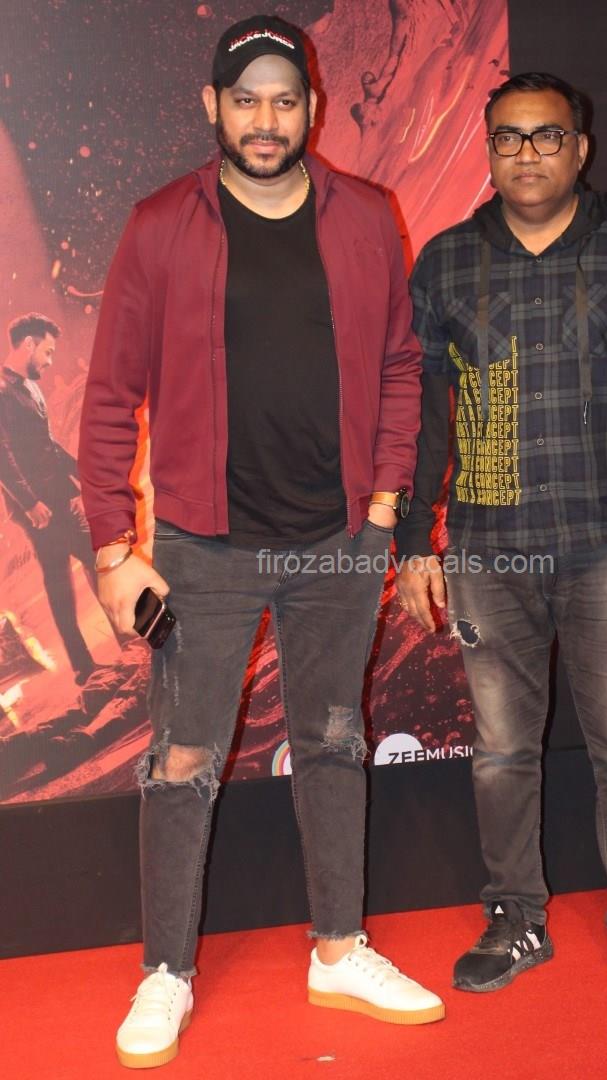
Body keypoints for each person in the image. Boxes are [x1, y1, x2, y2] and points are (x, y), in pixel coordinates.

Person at [78, 14, 444, 1069]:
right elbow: (110, 396)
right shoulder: (160, 224)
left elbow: (400, 365)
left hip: (339, 541)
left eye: (285, 100)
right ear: (214, 108)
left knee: (332, 740)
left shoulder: (365, 215)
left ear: (313, 108)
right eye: (246, 100)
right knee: (181, 762)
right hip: (203, 547)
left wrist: (383, 507)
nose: (267, 119)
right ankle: (165, 970)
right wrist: (113, 548)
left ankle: (338, 948)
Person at [396, 72, 607, 1001]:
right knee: (501, 751)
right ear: (488, 150)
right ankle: (514, 918)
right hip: (487, 551)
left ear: (580, 149)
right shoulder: (446, 262)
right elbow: (424, 416)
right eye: (507, 137)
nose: (526, 154)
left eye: (545, 136)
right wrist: (416, 538)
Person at [0, 313, 106, 684]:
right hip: (40, 509)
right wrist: (29, 503)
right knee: (73, 574)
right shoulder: (1, 390)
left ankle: (91, 662)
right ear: (28, 344)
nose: (50, 360)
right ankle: (88, 666)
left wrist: (83, 475)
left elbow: (47, 444)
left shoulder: (30, 387)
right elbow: (2, 455)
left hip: (54, 499)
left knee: (88, 566)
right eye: (47, 351)